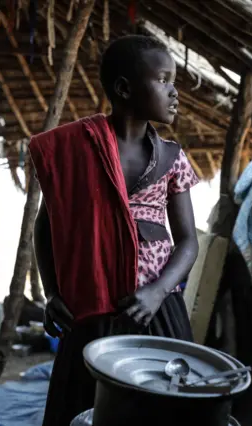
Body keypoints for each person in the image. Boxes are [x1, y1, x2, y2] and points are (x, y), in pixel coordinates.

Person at [29, 35, 200, 426]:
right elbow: (46, 224)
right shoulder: (76, 149)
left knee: (165, 410)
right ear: (124, 88)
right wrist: (52, 291)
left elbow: (189, 242)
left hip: (155, 308)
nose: (174, 91)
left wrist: (157, 292)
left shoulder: (173, 158)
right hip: (90, 309)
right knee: (85, 410)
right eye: (163, 79)